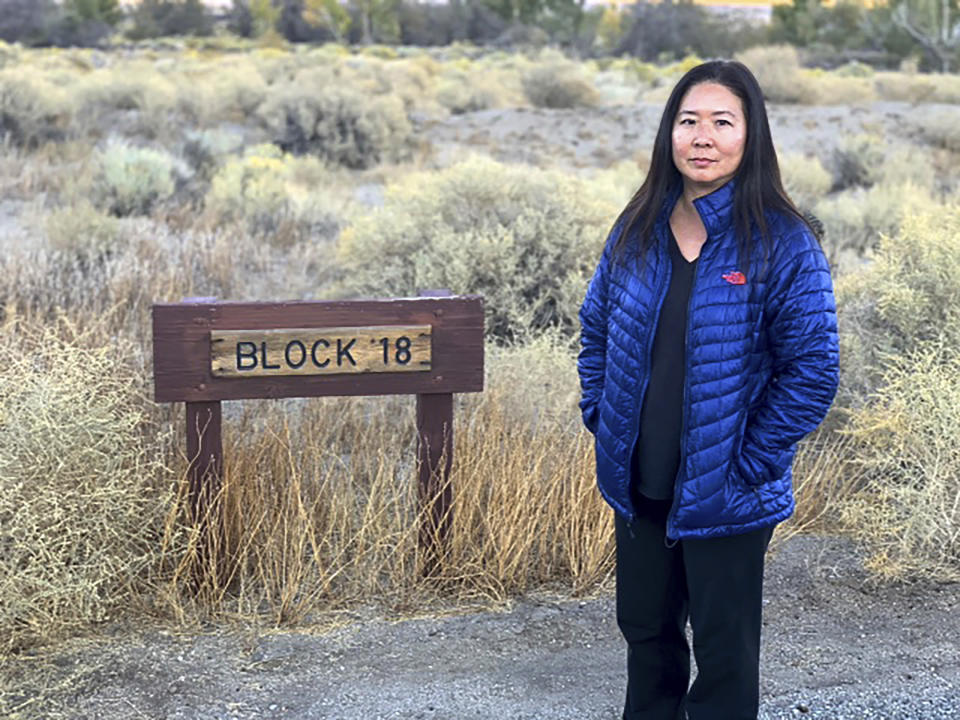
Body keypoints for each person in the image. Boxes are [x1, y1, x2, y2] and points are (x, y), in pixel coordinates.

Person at [577, 60, 839, 720]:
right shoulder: (636, 226)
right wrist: (601, 417)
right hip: (639, 487)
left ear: (751, 136)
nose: (703, 136)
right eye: (688, 120)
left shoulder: (783, 240)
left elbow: (812, 372)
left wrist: (750, 463)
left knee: (724, 661)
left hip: (730, 495)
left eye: (722, 122)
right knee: (647, 640)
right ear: (669, 133)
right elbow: (595, 332)